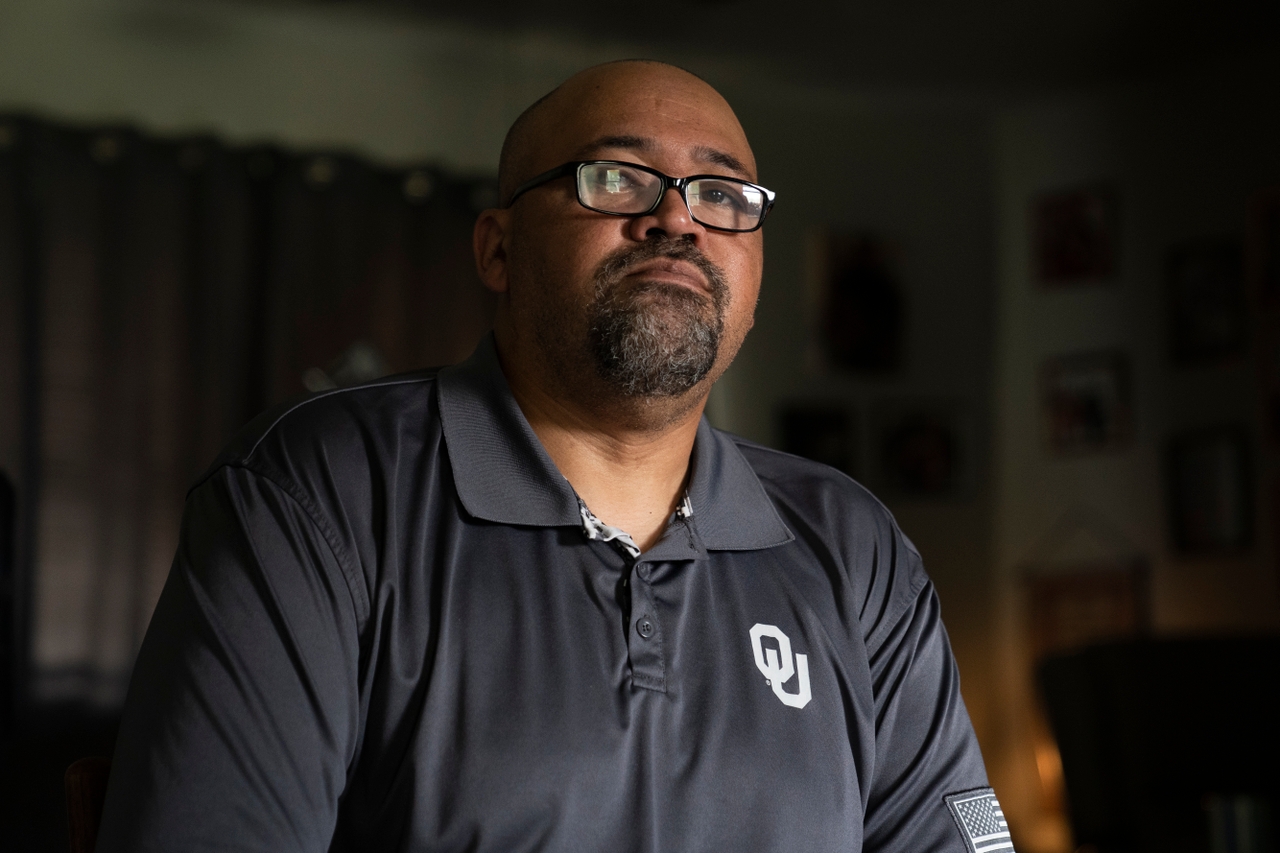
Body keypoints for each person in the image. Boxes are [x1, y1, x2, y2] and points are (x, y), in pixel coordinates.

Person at [97, 60, 1010, 852]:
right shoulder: (318, 491)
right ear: (498, 250)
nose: (676, 221)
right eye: (616, 179)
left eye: (722, 195)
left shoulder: (852, 545)